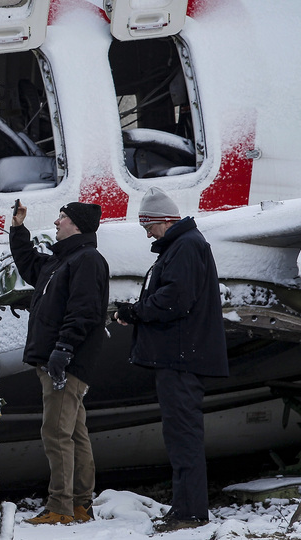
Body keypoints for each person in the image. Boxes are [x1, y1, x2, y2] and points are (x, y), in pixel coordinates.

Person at [113, 187, 229, 533]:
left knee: (184, 438)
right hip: (180, 358)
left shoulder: (186, 246)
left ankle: (190, 514)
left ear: (164, 220)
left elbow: (175, 299)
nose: (146, 233)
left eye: (147, 225)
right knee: (181, 437)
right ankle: (185, 509)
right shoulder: (184, 246)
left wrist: (134, 312)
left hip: (182, 360)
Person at [10, 200, 109, 525]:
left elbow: (84, 311)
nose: (56, 221)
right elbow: (28, 265)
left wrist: (63, 350)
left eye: (62, 218)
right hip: (59, 360)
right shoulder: (62, 260)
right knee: (74, 433)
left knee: (55, 432)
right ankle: (80, 504)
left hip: (66, 363)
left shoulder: (87, 260)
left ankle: (60, 508)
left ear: (76, 225)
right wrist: (18, 228)